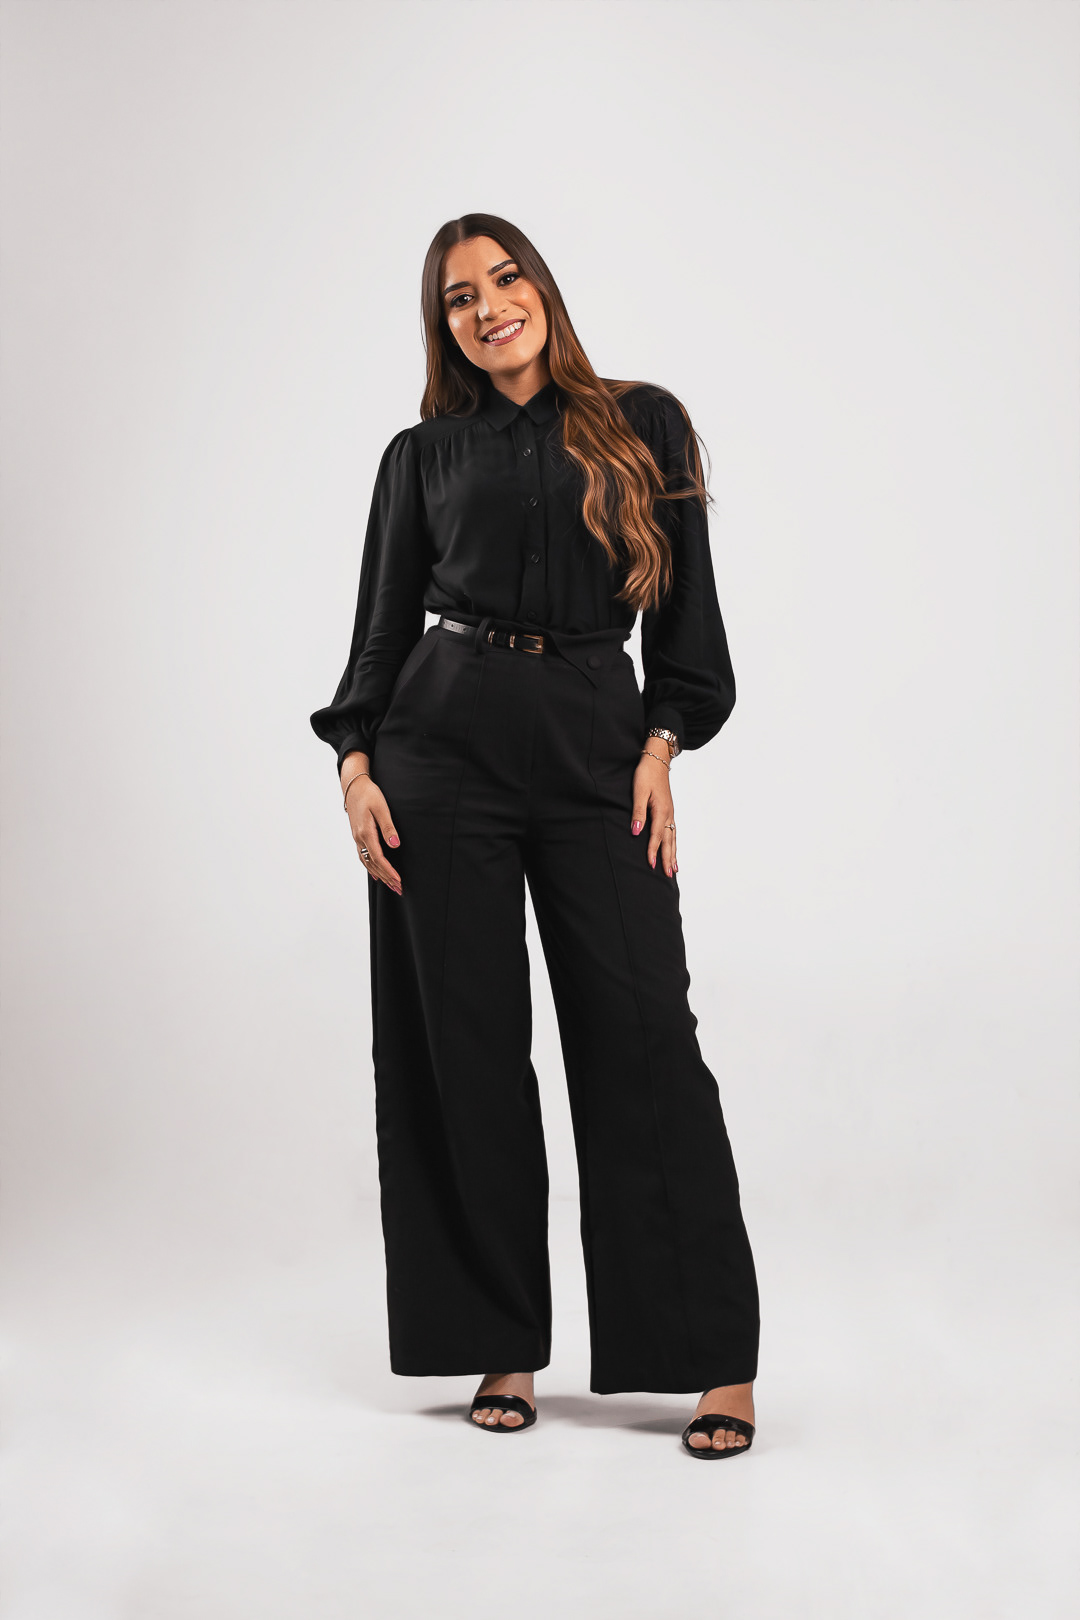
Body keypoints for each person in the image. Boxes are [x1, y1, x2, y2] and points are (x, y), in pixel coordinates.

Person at [310, 213, 759, 1459]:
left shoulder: (642, 422)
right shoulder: (422, 455)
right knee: (459, 1050)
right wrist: (355, 766)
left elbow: (687, 623)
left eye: (504, 280)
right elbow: (382, 626)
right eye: (459, 296)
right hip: (437, 750)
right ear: (443, 325)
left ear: (544, 291)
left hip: (594, 749)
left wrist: (662, 745)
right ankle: (498, 1338)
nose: (487, 306)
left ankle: (713, 1359)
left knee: (644, 1037)